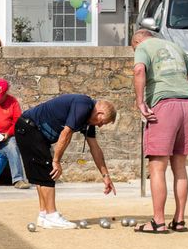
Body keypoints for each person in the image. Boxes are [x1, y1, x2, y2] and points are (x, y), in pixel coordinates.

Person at [131, 29, 188, 234]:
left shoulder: (143, 47)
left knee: (157, 166)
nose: (135, 51)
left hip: (164, 105)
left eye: (133, 48)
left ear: (137, 41)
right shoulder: (177, 47)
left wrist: (140, 102)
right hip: (187, 105)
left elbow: (139, 71)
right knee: (180, 166)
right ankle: (179, 221)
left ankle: (158, 222)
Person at [14, 94, 117, 229]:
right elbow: (66, 133)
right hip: (29, 127)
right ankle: (52, 215)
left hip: (31, 129)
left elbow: (95, 148)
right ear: (100, 113)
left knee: (41, 173)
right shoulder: (84, 105)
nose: (100, 126)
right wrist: (56, 161)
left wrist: (106, 176)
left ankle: (44, 215)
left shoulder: (87, 120)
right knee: (48, 170)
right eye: (102, 122)